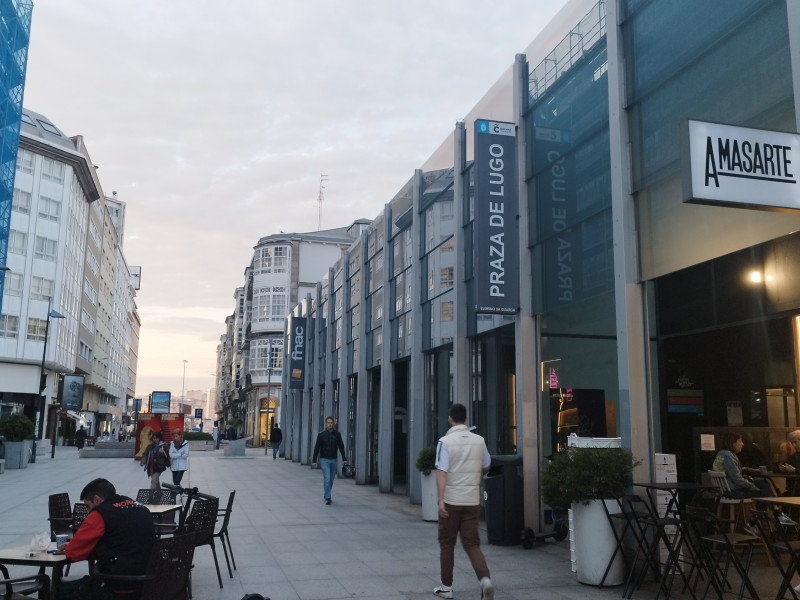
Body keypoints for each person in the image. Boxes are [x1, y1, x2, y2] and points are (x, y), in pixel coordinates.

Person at [57, 478, 155, 600]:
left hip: (117, 587)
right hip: (148, 583)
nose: (88, 512)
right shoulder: (140, 507)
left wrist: (82, 546)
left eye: (88, 506)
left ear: (97, 499)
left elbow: (72, 553)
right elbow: (124, 541)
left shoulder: (100, 514)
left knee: (59, 591)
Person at [432, 403, 494, 600]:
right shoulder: (479, 440)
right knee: (472, 543)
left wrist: (440, 500)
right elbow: (487, 464)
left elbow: (441, 472)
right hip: (472, 500)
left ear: (450, 419)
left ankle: (446, 587)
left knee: (447, 542)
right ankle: (485, 580)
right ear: (466, 419)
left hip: (451, 500)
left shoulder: (445, 442)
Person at [712, 431, 794, 532]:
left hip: (726, 490)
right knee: (763, 491)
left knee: (763, 485)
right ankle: (774, 515)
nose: (742, 444)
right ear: (732, 443)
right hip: (733, 491)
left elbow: (735, 470)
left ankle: (760, 521)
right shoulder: (728, 456)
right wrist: (752, 486)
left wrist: (752, 470)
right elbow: (737, 479)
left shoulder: (722, 454)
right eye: (740, 441)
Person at [311, 416, 348, 505]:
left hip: (333, 460)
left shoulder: (337, 434)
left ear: (333, 424)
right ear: (326, 424)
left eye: (331, 423)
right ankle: (328, 497)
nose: (330, 424)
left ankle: (326, 493)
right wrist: (314, 460)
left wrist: (344, 458)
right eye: (328, 423)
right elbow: (316, 447)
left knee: (331, 480)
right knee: (327, 478)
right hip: (324, 459)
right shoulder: (321, 435)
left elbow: (341, 446)